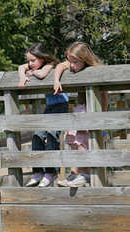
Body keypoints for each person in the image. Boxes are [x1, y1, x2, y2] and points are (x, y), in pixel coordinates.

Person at [54, 41, 109, 188]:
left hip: (90, 110)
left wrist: (102, 115)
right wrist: (56, 80)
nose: (71, 65)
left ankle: (85, 174)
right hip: (79, 110)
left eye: (75, 62)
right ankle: (73, 174)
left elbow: (104, 94)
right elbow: (60, 66)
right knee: (72, 139)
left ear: (85, 59)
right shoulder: (73, 63)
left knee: (83, 142)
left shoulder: (96, 70)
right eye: (70, 61)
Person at [18, 42, 69, 187]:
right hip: (50, 106)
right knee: (38, 134)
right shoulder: (36, 64)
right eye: (29, 60)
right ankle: (38, 170)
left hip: (60, 104)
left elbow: (42, 74)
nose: (30, 63)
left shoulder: (50, 64)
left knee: (52, 134)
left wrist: (32, 72)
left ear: (42, 57)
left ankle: (51, 171)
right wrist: (22, 76)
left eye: (33, 60)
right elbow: (21, 67)